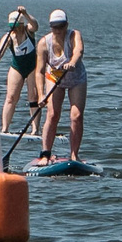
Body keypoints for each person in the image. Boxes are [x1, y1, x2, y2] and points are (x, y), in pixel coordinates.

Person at [36, 9, 87, 162]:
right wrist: (41, 95)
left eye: (61, 26)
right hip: (54, 78)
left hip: (76, 78)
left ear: (66, 25)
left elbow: (79, 50)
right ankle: (45, 153)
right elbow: (39, 71)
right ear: (51, 27)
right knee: (52, 114)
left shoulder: (73, 35)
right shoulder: (44, 44)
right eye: (55, 27)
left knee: (76, 116)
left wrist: (72, 62)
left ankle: (74, 155)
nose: (58, 30)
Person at [0, 8, 40, 136]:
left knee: (33, 98)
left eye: (17, 27)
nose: (15, 30)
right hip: (17, 68)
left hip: (32, 68)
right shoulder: (9, 37)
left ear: (22, 24)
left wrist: (25, 13)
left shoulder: (28, 31)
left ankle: (35, 129)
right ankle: (5, 128)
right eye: (12, 27)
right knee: (11, 98)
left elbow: (35, 25)